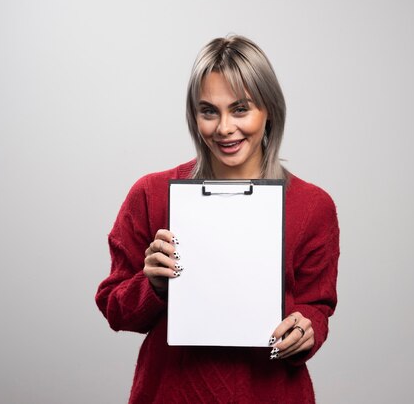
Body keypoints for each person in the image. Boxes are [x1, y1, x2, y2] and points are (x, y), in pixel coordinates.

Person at [96, 35, 339, 403]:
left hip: (269, 392)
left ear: (268, 110)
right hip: (172, 393)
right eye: (209, 111)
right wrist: (154, 287)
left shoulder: (313, 206)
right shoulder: (151, 194)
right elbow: (115, 307)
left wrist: (306, 329)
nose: (224, 127)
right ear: (194, 116)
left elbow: (316, 305)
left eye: (240, 109)